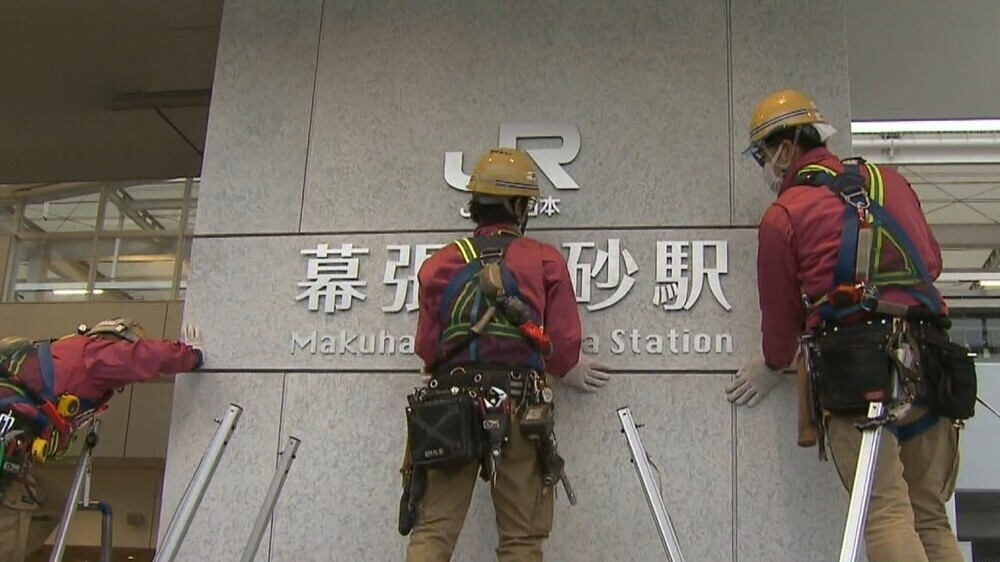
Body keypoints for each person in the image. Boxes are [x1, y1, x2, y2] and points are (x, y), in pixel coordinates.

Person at [725, 89, 967, 562]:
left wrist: (772, 365)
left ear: (785, 149)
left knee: (885, 515)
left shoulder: (784, 214)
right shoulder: (889, 182)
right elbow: (931, 264)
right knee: (931, 517)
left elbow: (781, 321)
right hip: (932, 362)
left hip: (858, 373)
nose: (765, 170)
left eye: (762, 156)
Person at [401, 148, 611, 561]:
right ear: (519, 206)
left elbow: (427, 347)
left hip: (449, 408)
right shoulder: (544, 259)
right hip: (520, 407)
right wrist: (568, 367)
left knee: (432, 534)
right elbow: (564, 348)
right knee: (521, 539)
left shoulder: (440, 262)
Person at [0, 319, 205, 562]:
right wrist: (190, 354)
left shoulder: (56, 354)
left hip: (13, 445)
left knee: (52, 504)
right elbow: (140, 357)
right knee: (17, 506)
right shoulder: (95, 354)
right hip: (8, 455)